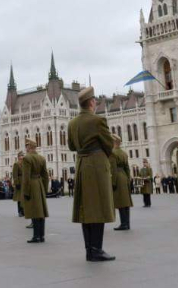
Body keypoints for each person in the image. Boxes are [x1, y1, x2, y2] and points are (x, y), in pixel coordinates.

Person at [68, 86, 115, 262]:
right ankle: (97, 249)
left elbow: (72, 146)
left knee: (85, 209)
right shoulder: (97, 121)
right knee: (98, 206)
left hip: (81, 165)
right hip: (96, 165)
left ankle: (89, 249)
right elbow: (109, 144)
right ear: (92, 102)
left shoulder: (72, 123)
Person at [22, 139, 48, 243]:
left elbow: (26, 177)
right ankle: (41, 236)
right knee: (41, 212)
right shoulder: (41, 158)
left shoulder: (27, 158)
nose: (26, 148)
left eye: (26, 146)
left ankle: (36, 236)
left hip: (32, 185)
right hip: (40, 185)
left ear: (29, 147)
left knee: (34, 211)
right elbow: (45, 176)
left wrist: (26, 191)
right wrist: (44, 190)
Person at [109, 135, 133, 230]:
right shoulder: (124, 153)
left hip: (118, 178)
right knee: (126, 202)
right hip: (124, 177)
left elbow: (113, 169)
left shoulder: (112, 153)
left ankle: (123, 224)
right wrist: (128, 179)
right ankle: (127, 223)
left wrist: (113, 182)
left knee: (121, 202)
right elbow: (127, 168)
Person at [12, 152, 25, 217]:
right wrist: (16, 183)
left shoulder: (25, 163)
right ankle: (20, 211)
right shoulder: (16, 164)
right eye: (21, 155)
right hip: (19, 181)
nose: (22, 157)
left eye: (23, 155)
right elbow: (15, 174)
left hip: (24, 181)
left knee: (24, 197)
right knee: (19, 198)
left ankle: (24, 211)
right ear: (18, 157)